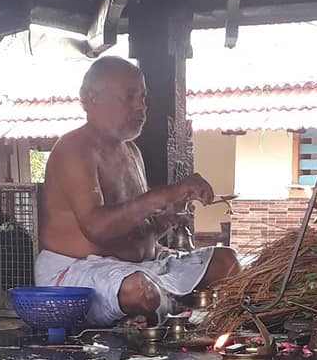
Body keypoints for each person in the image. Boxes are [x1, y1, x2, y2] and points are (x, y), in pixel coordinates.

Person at [36, 56, 240, 326]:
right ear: (90, 99)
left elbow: (132, 228)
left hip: (140, 268)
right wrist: (164, 195)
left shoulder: (131, 151)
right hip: (79, 273)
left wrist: (164, 221)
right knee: (140, 290)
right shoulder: (74, 148)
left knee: (227, 261)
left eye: (143, 97)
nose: (140, 107)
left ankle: (163, 306)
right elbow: (96, 228)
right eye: (130, 97)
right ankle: (169, 306)